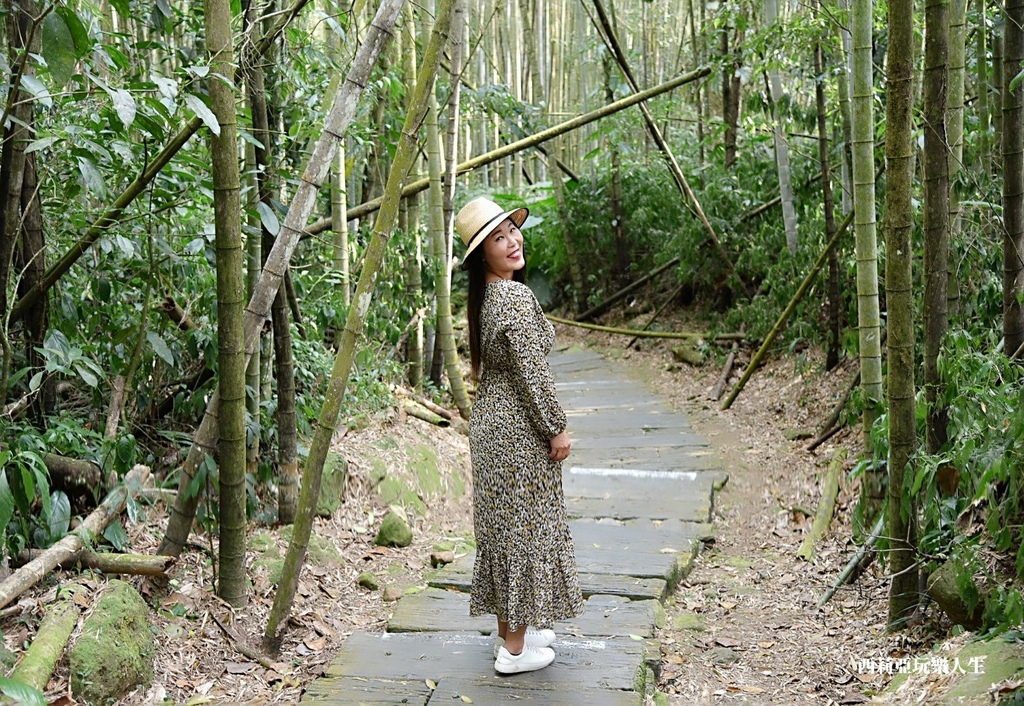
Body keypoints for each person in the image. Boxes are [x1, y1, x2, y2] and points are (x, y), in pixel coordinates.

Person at [454, 196, 585, 675]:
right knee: (526, 528)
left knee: (506, 528)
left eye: (512, 230)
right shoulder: (512, 297)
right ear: (481, 255)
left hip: (491, 425)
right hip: (516, 429)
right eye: (498, 238)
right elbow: (532, 372)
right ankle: (514, 649)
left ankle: (515, 631)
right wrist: (556, 427)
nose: (512, 241)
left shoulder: (489, 297)